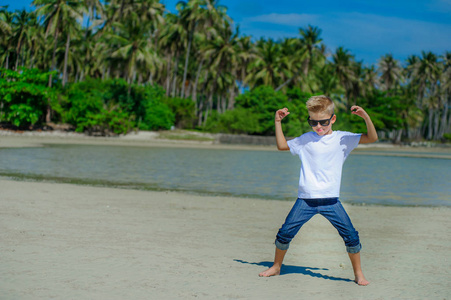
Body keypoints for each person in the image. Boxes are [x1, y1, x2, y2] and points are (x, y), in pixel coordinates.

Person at [258, 95, 377, 286]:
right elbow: (281, 146)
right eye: (313, 122)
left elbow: (372, 138)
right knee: (284, 233)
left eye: (323, 122)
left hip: (331, 201)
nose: (318, 127)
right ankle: (276, 267)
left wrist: (365, 117)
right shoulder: (306, 140)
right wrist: (277, 121)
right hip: (305, 200)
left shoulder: (343, 139)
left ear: (333, 119)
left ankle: (358, 274)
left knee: (351, 237)